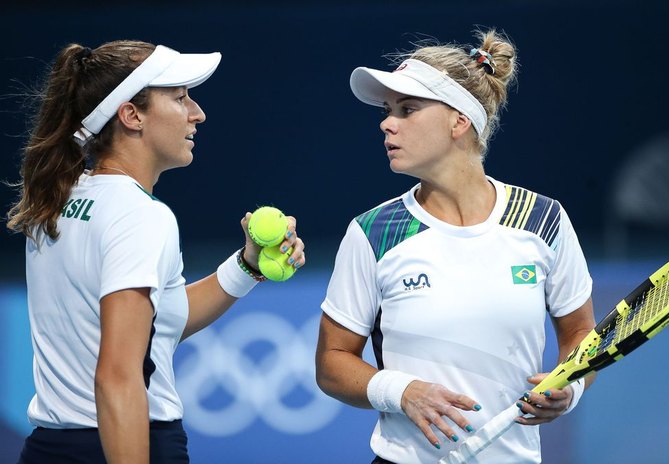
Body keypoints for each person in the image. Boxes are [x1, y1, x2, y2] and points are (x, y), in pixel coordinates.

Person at [5, 40, 305, 463]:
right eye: (180, 98)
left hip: (49, 449)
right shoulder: (141, 216)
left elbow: (154, 325)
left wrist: (247, 264)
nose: (197, 113)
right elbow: (117, 375)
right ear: (131, 115)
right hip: (123, 442)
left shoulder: (58, 200)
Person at [315, 29, 595, 463]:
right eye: (388, 111)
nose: (386, 123)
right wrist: (403, 392)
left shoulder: (544, 220)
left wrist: (570, 387)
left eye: (407, 110)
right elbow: (332, 362)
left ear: (459, 121)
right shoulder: (373, 232)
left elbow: (579, 333)